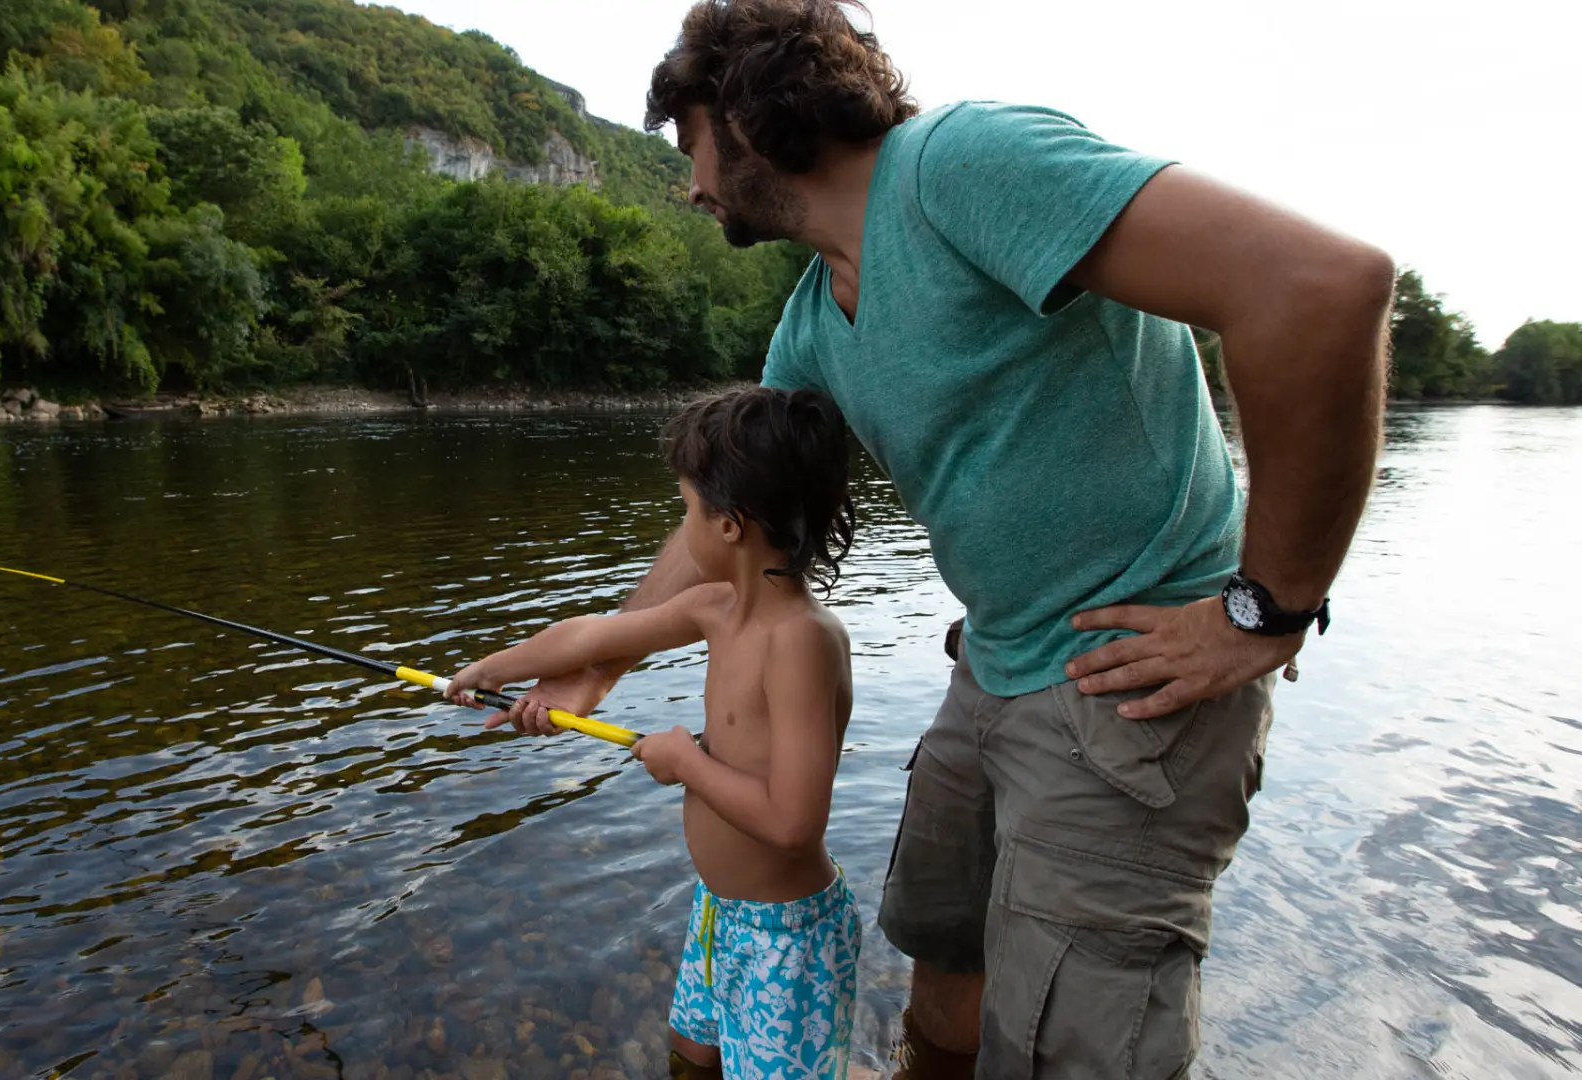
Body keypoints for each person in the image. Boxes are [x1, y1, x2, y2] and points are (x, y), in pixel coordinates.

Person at [482, 1, 1397, 1077]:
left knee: (1068, 1047)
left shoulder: (961, 165)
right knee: (944, 956)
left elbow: (1321, 290)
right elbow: (727, 527)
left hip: (1130, 682)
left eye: (689, 146)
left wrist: (1266, 607)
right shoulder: (811, 324)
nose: (688, 185)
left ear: (749, 114)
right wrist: (601, 664)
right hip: (994, 666)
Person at [446, 387, 865, 1079]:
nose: (684, 525)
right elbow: (591, 636)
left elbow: (794, 823)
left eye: (686, 509)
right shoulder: (716, 606)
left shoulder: (801, 642)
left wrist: (684, 761)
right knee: (692, 1056)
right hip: (719, 912)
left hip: (785, 940)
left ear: (728, 525)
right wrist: (494, 668)